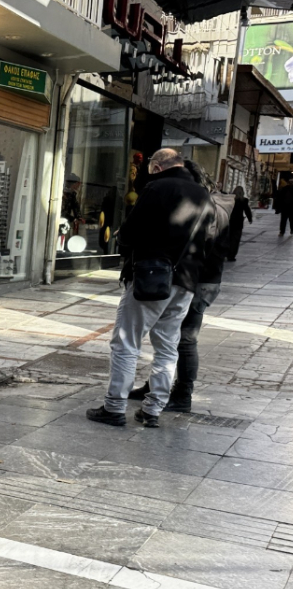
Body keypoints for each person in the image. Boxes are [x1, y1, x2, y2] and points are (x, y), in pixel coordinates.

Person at [86, 149, 213, 429]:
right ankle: (152, 410)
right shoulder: (203, 193)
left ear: (156, 167)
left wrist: (123, 236)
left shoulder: (156, 187)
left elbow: (131, 233)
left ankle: (115, 407)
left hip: (151, 277)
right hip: (187, 281)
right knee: (168, 346)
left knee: (126, 342)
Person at [127, 160, 231, 413]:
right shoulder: (212, 203)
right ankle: (154, 387)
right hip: (200, 278)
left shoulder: (207, 205)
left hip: (198, 280)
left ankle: (183, 394)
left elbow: (204, 246)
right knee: (168, 337)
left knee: (183, 339)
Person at [226, 186, 252, 261]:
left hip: (229, 221)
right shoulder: (244, 201)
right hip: (238, 222)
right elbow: (247, 210)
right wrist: (250, 219)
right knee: (235, 239)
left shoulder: (230, 200)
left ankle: (226, 253)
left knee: (228, 238)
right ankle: (232, 255)